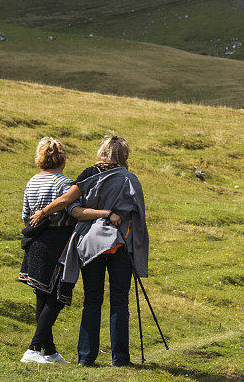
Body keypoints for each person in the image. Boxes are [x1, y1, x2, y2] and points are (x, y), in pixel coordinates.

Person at [32, 135, 148, 367]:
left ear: (102, 151)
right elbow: (139, 217)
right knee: (119, 302)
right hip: (119, 244)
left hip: (89, 244)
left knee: (92, 300)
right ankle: (121, 359)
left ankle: (86, 358)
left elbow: (70, 205)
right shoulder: (130, 179)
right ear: (124, 155)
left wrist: (42, 212)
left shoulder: (87, 174)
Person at [18, 137, 76, 364]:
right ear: (62, 159)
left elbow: (25, 216)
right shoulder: (66, 183)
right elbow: (70, 207)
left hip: (35, 241)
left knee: (42, 295)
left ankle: (49, 350)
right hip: (58, 241)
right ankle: (33, 349)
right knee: (58, 296)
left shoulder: (32, 181)